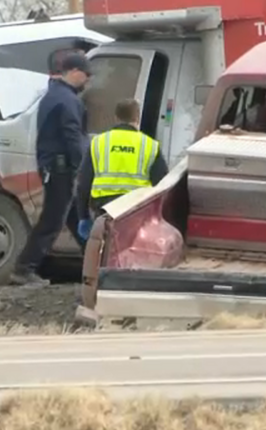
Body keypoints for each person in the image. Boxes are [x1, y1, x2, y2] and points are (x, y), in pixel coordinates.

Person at [9, 53, 92, 287]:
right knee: (52, 221)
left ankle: (96, 264)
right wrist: (84, 168)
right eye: (87, 75)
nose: (88, 81)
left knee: (77, 218)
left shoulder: (55, 95)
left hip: (55, 168)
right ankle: (24, 269)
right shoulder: (68, 101)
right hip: (61, 169)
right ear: (75, 72)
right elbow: (73, 139)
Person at [75, 99, 169, 239]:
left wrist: (83, 216)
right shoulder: (149, 145)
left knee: (105, 253)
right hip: (137, 210)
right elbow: (163, 184)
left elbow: (83, 183)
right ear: (137, 117)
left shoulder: (98, 143)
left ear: (116, 118)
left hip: (105, 210)